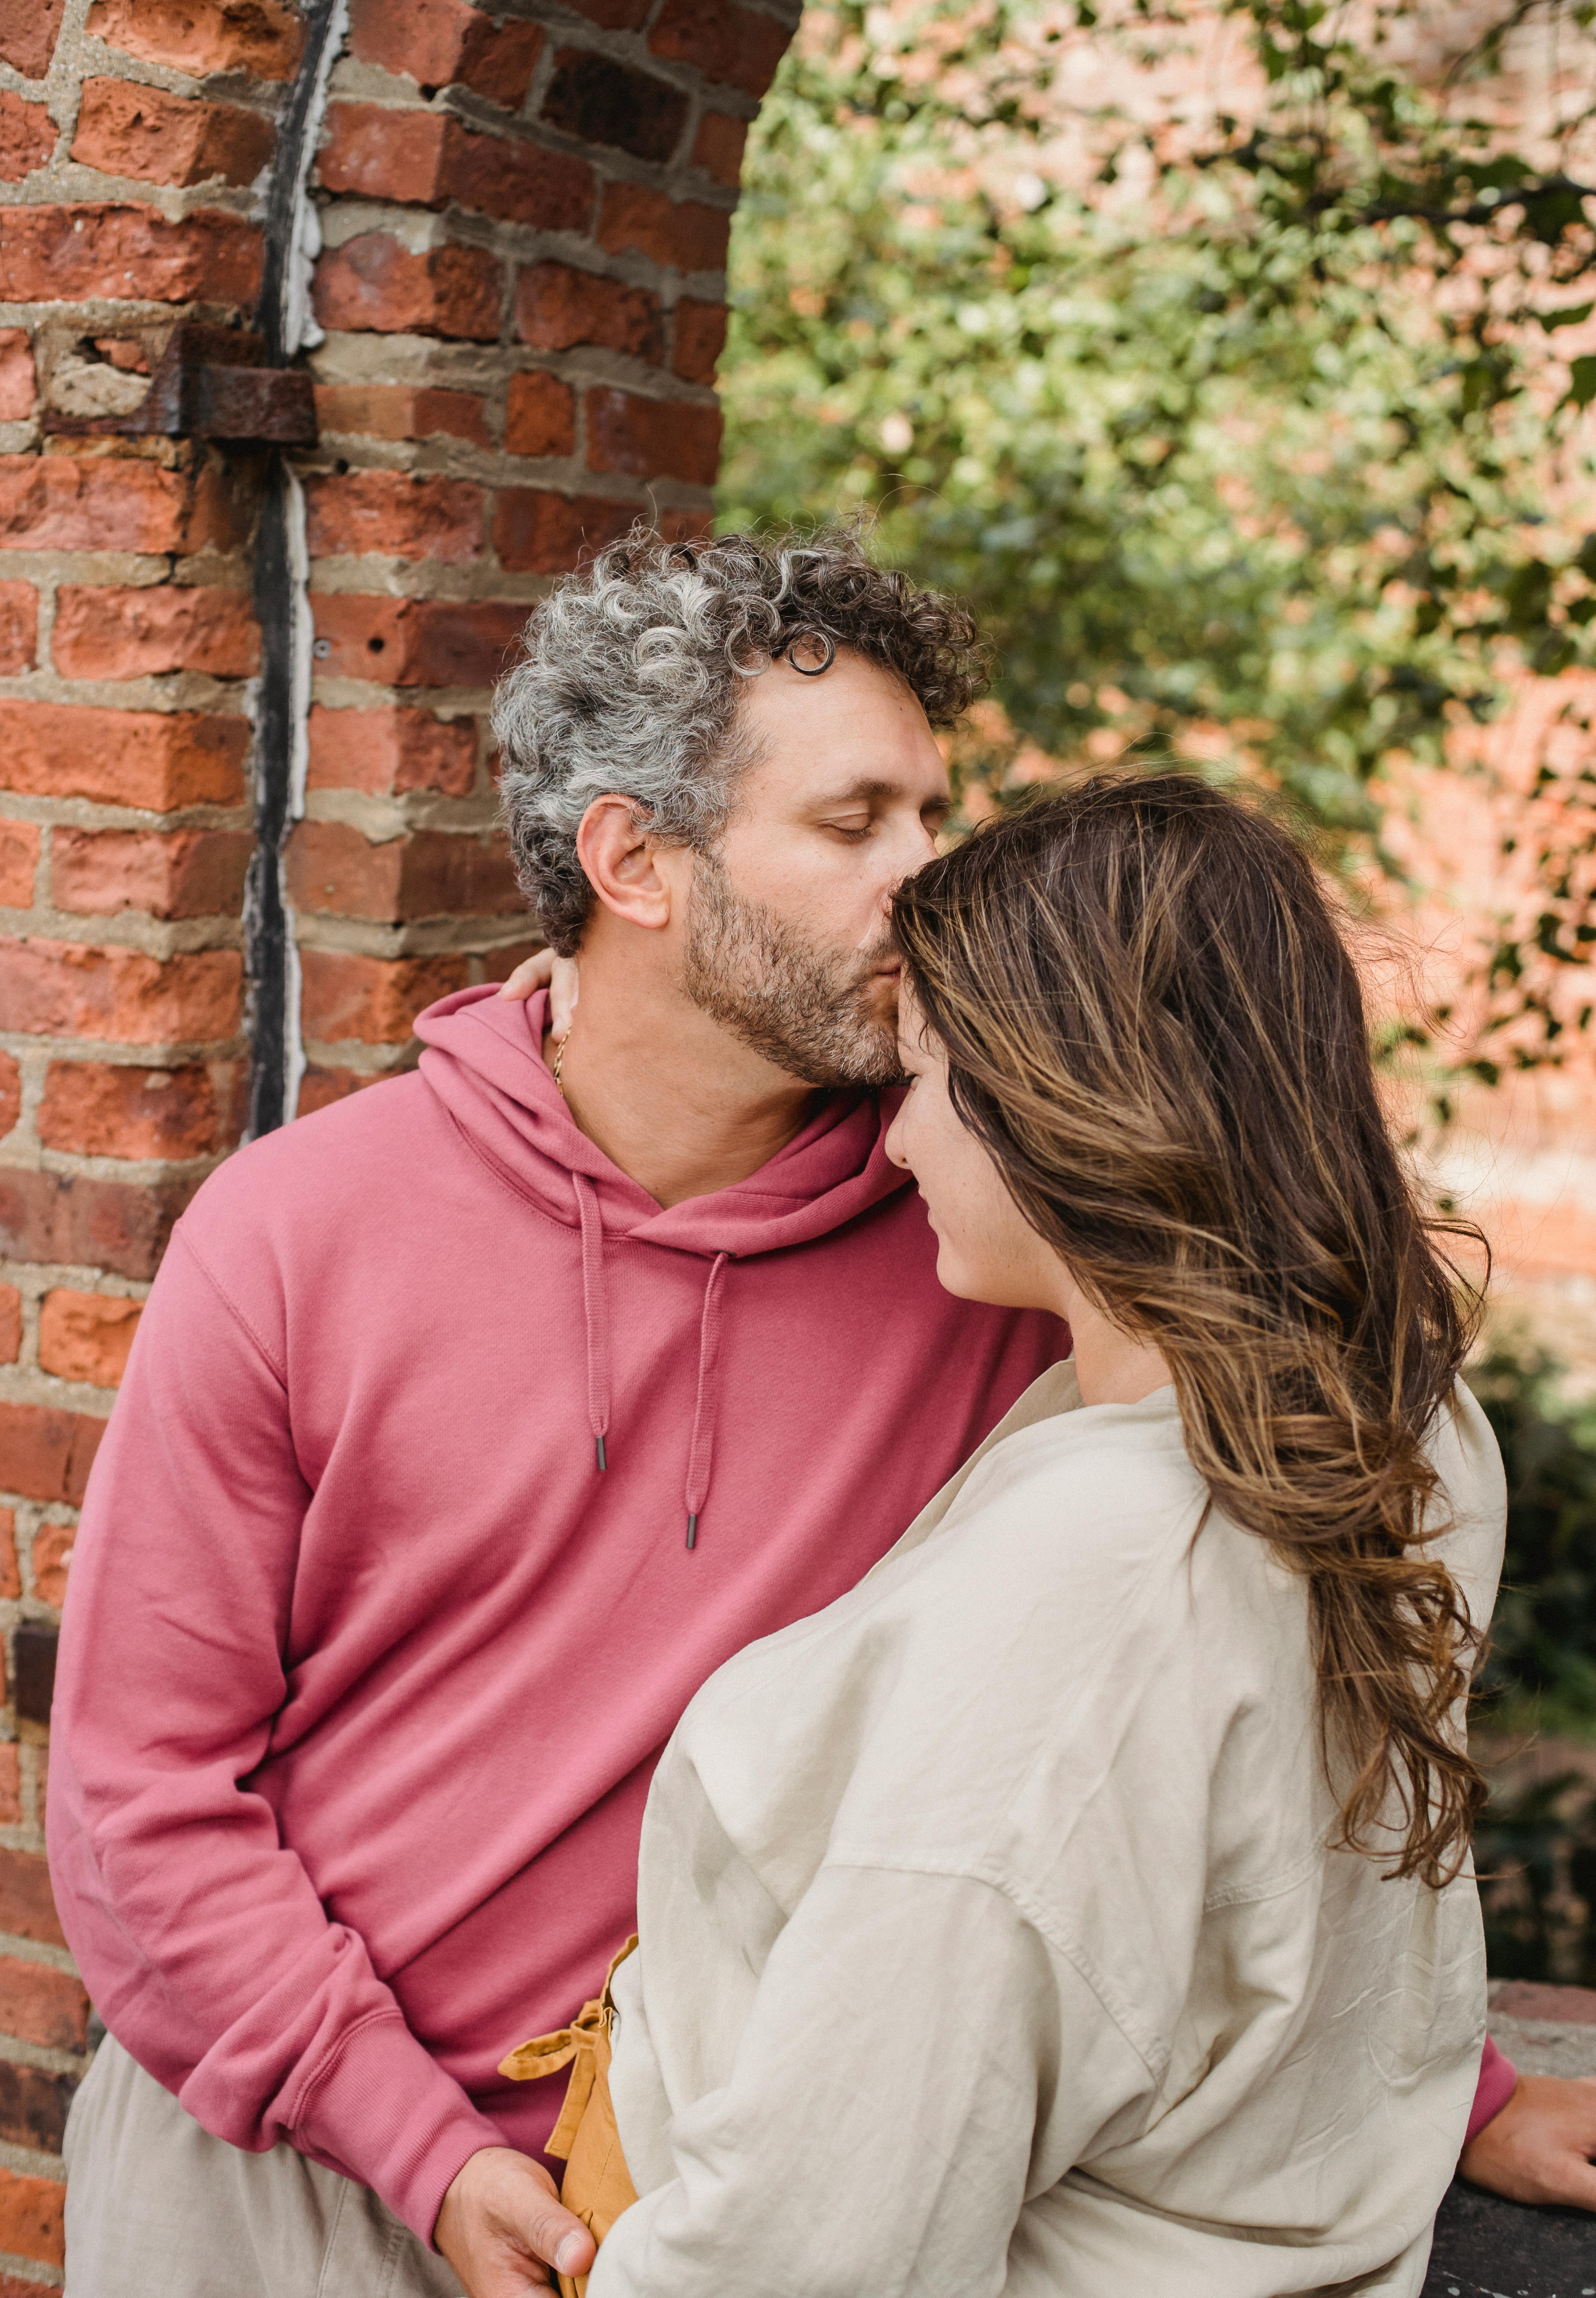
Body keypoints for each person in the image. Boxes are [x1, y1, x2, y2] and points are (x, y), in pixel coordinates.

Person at [43, 530, 1587, 2298]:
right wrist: (407, 2134)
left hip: (712, 2188)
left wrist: (1440, 2092)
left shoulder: (984, 1237)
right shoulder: (298, 1229)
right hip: (295, 2176)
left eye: (933, 813)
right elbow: (141, 1792)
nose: (926, 878)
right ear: (635, 862)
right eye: (856, 826)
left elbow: (1225, 1693)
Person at [578, 772, 1506, 2296]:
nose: (892, 1148)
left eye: (930, 1079)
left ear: (1064, 1100)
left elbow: (829, 2228)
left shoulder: (1088, 1586)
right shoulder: (1398, 1420)